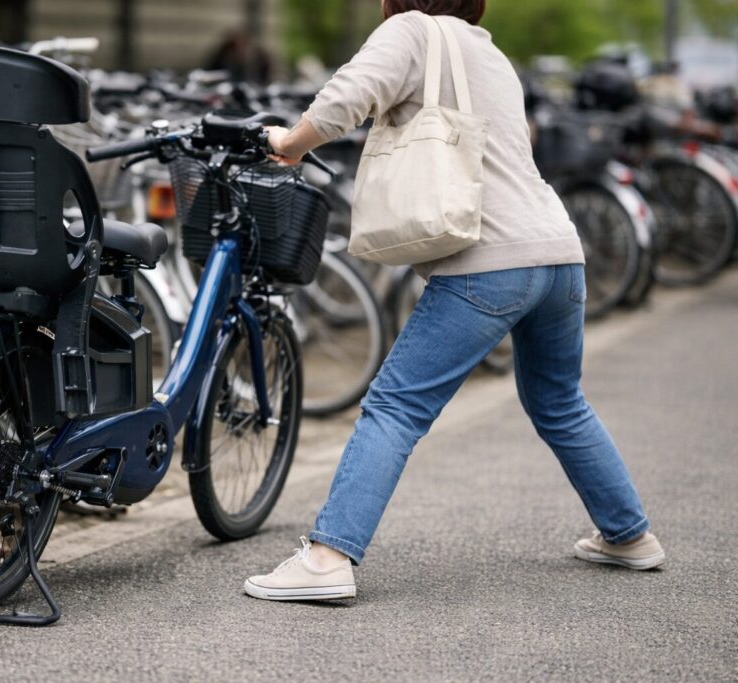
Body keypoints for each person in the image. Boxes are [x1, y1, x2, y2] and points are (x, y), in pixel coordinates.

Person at [245, 0, 665, 602]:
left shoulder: (411, 31)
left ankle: (326, 559)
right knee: (559, 401)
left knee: (394, 405)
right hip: (557, 251)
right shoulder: (486, 49)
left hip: (491, 262)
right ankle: (629, 535)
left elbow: (346, 97)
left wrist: (292, 141)